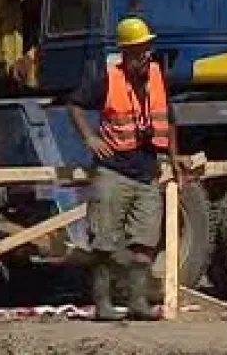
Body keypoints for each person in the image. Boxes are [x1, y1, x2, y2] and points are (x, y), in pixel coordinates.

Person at [68, 17, 179, 321]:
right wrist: (90, 138)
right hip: (113, 171)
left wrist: (174, 159)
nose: (145, 56)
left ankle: (137, 303)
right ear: (125, 53)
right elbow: (74, 105)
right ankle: (103, 305)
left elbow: (168, 120)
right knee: (103, 242)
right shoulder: (107, 79)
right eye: (138, 51)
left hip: (147, 173)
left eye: (147, 49)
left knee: (145, 241)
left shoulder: (158, 76)